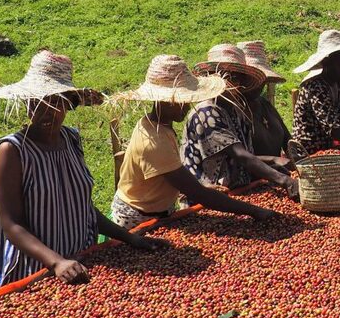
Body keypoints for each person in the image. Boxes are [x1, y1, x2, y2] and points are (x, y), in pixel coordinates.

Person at [0, 51, 165, 286]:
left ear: (69, 104)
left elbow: (83, 209)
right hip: (34, 272)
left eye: (56, 102)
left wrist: (130, 239)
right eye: (37, 102)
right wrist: (56, 262)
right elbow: (11, 225)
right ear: (27, 104)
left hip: (82, 263)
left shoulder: (71, 140)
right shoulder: (12, 151)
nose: (46, 111)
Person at [110, 55, 275, 230]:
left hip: (157, 211)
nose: (188, 107)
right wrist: (254, 211)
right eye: (183, 101)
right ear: (167, 101)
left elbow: (169, 176)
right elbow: (198, 195)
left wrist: (202, 186)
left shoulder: (155, 124)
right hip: (136, 219)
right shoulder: (154, 140)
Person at [183, 44, 299, 199]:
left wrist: (273, 163)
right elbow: (240, 155)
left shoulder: (236, 110)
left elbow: (246, 156)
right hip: (210, 198)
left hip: (240, 191)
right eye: (224, 76)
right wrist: (285, 180)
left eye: (235, 77)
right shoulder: (207, 111)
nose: (229, 82)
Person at [237, 41, 291, 158]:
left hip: (279, 173)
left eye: (262, 78)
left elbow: (288, 142)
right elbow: (239, 158)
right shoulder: (233, 110)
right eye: (253, 78)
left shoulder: (264, 103)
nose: (260, 83)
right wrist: (273, 162)